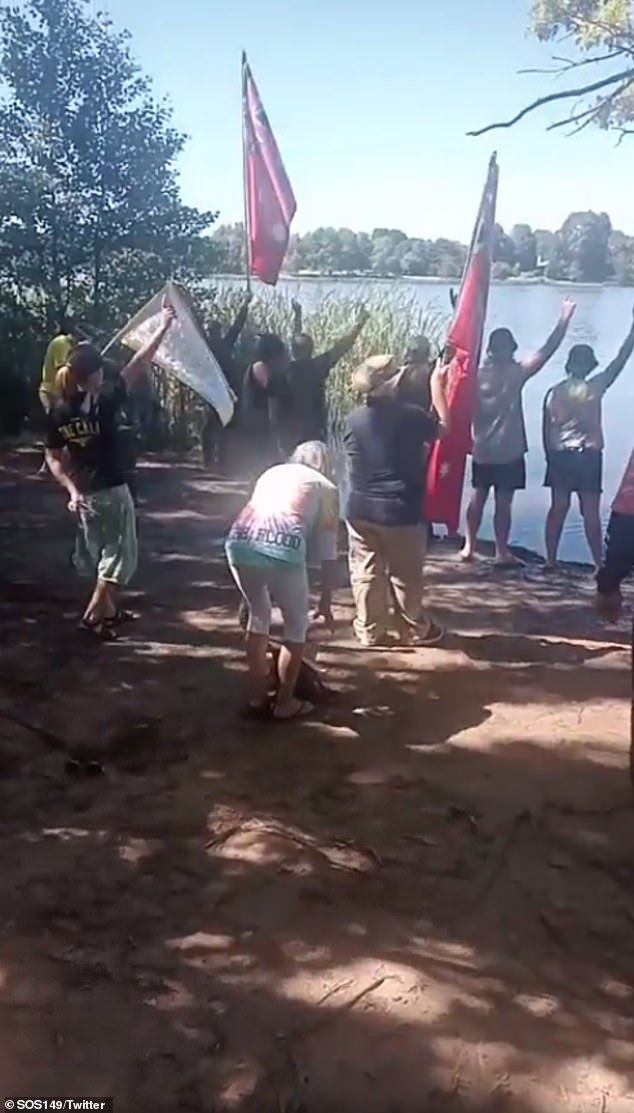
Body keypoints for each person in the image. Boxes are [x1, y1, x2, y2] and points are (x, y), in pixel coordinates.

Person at [44, 300, 176, 638]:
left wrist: (71, 490)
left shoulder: (60, 410)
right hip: (113, 490)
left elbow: (53, 457)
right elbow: (140, 362)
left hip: (85, 493)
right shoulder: (105, 401)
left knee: (102, 555)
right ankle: (92, 617)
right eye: (100, 369)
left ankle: (110, 613)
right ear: (94, 374)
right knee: (118, 560)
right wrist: (163, 326)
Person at [225, 440, 339, 721]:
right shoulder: (327, 487)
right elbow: (327, 552)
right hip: (283, 547)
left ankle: (256, 699)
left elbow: (261, 515)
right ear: (326, 465)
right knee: (297, 624)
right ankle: (285, 703)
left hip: (239, 541)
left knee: (258, 615)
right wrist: (326, 602)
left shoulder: (272, 472)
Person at [460, 297, 576, 567]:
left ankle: (468, 545)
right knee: (503, 502)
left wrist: (461, 312)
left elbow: (461, 349)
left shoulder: (476, 374)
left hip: (482, 448)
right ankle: (501, 552)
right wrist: (564, 318)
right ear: (511, 348)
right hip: (509, 449)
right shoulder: (517, 372)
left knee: (478, 495)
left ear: (490, 348)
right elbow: (547, 350)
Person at [344, 353, 449, 647]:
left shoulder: (353, 418)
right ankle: (414, 630)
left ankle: (369, 629)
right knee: (405, 575)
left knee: (366, 572)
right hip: (399, 509)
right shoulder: (410, 416)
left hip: (359, 507)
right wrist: (437, 385)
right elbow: (443, 427)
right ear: (395, 383)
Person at [543, 308, 634, 571]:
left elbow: (551, 428)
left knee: (558, 507)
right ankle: (597, 564)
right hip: (589, 455)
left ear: (569, 365)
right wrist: (631, 331)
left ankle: (550, 559)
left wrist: (553, 456)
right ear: (590, 365)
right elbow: (620, 359)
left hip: (561, 454)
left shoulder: (555, 392)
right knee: (590, 513)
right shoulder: (597, 386)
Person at [284, 300, 370, 449]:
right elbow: (342, 347)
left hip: (291, 431)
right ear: (312, 349)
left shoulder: (286, 369)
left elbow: (295, 341)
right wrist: (359, 324)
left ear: (292, 351)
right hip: (315, 430)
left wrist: (297, 315)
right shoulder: (318, 366)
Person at [201, 293, 252, 472]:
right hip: (213, 391)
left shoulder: (218, 345)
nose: (212, 334)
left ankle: (217, 460)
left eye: (213, 331)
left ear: (217, 332)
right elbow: (236, 327)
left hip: (221, 390)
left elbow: (237, 326)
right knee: (212, 427)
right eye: (210, 331)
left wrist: (245, 306)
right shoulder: (208, 346)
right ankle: (212, 460)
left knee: (218, 426)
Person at [239, 333, 291, 477]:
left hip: (256, 425)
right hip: (259, 426)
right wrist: (276, 434)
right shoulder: (261, 368)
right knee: (263, 468)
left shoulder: (258, 367)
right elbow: (272, 403)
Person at [38, 316, 84, 472]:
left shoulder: (71, 345)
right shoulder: (62, 342)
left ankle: (52, 463)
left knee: (62, 427)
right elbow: (64, 370)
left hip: (61, 391)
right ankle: (51, 463)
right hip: (52, 392)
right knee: (57, 426)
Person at [595, 448, 634, 623]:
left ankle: (609, 613)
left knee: (610, 577)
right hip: (627, 508)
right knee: (609, 580)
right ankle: (608, 614)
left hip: (626, 509)